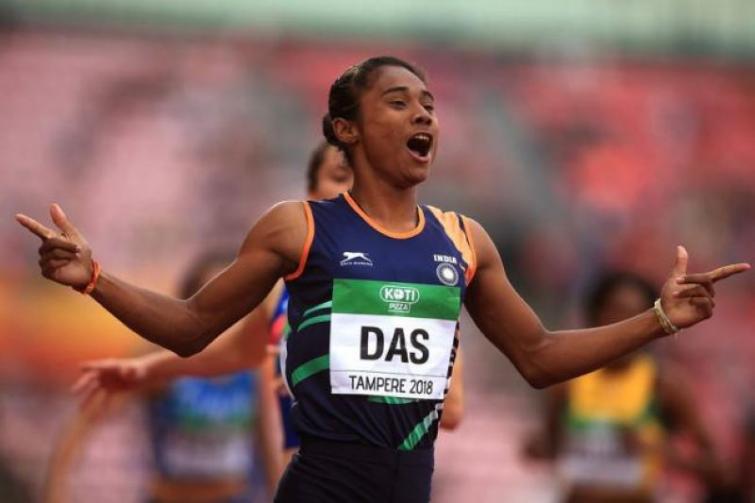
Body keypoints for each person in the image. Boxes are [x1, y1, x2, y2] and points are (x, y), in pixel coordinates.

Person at [16, 55, 749, 503]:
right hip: (322, 485)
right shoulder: (298, 228)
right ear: (347, 129)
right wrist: (94, 277)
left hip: (411, 487)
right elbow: (189, 327)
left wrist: (658, 319)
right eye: (398, 102)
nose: (422, 113)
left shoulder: (464, 241)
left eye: (428, 105)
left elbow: (538, 356)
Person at [64, 141, 464, 497]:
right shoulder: (280, 293)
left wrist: (349, 372)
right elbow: (234, 352)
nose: (352, 196)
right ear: (312, 199)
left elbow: (451, 410)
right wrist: (148, 370)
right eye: (340, 179)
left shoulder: (417, 295)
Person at [44, 250, 267, 503]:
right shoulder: (160, 359)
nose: (228, 314)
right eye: (216, 300)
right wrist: (56, 492)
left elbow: (272, 441)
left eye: (237, 301)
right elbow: (84, 421)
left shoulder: (257, 362)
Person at [524, 271, 728, 503]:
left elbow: (720, 471)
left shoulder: (664, 384)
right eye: (615, 314)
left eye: (635, 316)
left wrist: (657, 449)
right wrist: (541, 447)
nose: (625, 325)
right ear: (594, 317)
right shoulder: (567, 381)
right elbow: (546, 446)